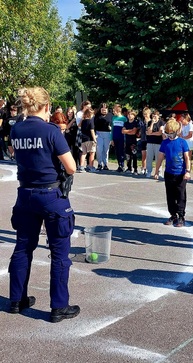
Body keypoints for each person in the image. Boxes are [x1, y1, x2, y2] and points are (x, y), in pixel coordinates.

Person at [9, 86, 80, 323]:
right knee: (60, 253)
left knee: (23, 247)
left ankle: (17, 300)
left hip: (25, 194)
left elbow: (13, 153)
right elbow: (71, 167)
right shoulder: (51, 131)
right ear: (47, 106)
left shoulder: (16, 129)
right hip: (50, 195)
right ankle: (59, 307)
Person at [154, 118, 190, 227]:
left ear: (177, 131)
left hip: (181, 174)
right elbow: (160, 157)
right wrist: (156, 171)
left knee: (180, 195)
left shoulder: (182, 142)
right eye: (168, 133)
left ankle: (181, 216)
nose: (170, 136)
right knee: (170, 195)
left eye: (172, 133)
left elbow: (187, 158)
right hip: (169, 173)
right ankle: (173, 214)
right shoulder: (165, 143)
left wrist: (187, 171)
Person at [94, 103, 112, 171]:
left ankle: (105, 164)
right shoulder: (97, 116)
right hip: (99, 133)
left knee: (106, 150)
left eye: (105, 109)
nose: (104, 110)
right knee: (99, 149)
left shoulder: (110, 115)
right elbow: (94, 125)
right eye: (102, 109)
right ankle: (99, 163)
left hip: (107, 133)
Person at [145, 110, 164, 178]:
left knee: (158, 158)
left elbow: (160, 133)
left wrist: (151, 133)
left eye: (155, 116)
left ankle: (159, 172)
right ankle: (149, 171)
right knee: (149, 158)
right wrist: (152, 123)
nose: (154, 117)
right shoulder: (150, 122)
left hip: (158, 143)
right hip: (150, 142)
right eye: (153, 116)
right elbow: (148, 132)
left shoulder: (161, 122)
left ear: (158, 116)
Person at [78, 108, 97, 172]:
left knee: (84, 153)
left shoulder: (83, 121)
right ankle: (91, 167)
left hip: (83, 139)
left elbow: (79, 126)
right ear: (90, 114)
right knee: (92, 153)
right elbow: (92, 131)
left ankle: (81, 166)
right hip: (90, 139)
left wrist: (82, 119)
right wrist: (95, 139)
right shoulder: (90, 121)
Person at [111, 104, 127, 172]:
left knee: (121, 151)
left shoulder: (124, 118)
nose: (113, 112)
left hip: (121, 137)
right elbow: (112, 128)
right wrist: (111, 139)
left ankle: (122, 165)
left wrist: (125, 139)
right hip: (115, 136)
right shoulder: (113, 118)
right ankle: (119, 164)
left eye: (114, 111)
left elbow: (125, 129)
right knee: (117, 151)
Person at [122, 110, 138, 174]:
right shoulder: (126, 123)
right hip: (127, 141)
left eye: (131, 114)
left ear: (134, 116)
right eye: (128, 114)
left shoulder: (135, 123)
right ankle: (129, 168)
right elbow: (123, 131)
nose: (129, 115)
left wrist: (127, 131)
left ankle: (135, 169)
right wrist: (130, 131)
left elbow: (134, 132)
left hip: (133, 141)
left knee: (134, 155)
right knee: (128, 155)